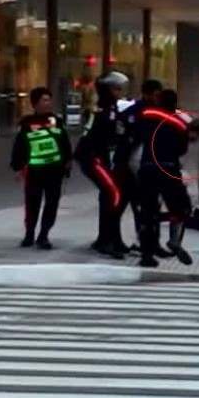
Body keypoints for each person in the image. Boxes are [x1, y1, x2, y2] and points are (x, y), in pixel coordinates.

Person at [128, 89, 195, 268]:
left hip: (148, 168)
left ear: (159, 100)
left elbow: (136, 134)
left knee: (147, 212)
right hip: (169, 169)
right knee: (182, 208)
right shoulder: (180, 122)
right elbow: (183, 149)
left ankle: (147, 254)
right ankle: (174, 240)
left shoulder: (147, 115)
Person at [75, 71, 130, 259]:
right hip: (93, 158)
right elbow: (88, 133)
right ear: (108, 90)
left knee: (112, 195)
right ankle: (106, 241)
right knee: (113, 193)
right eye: (116, 89)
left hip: (104, 158)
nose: (119, 92)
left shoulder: (114, 108)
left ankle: (110, 238)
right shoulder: (99, 110)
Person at [10, 87, 72, 249]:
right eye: (44, 100)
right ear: (35, 103)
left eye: (49, 100)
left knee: (51, 203)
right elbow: (20, 145)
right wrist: (17, 166)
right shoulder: (27, 123)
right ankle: (29, 233)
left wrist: (67, 163)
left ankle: (44, 235)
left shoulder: (56, 121)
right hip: (34, 171)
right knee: (32, 204)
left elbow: (64, 143)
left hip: (54, 170)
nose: (48, 103)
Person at [116, 78, 164, 253]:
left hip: (152, 164)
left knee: (153, 206)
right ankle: (138, 243)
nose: (157, 98)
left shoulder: (159, 112)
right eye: (155, 95)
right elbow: (123, 139)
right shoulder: (134, 112)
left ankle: (153, 243)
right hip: (133, 164)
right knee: (134, 205)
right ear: (146, 94)